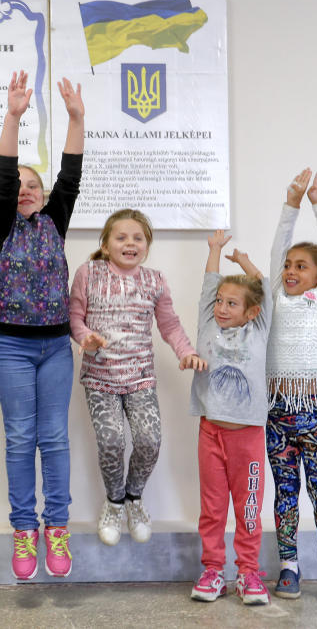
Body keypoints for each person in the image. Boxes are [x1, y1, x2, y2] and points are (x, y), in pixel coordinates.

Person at [0, 70, 83, 580]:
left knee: (55, 437)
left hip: (56, 349)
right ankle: (24, 529)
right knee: (20, 437)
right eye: (17, 185)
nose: (23, 189)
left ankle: (57, 526)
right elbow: (3, 175)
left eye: (32, 185)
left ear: (44, 196)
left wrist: (76, 118)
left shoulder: (56, 221)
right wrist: (14, 117)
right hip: (12, 348)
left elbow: (71, 174)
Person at [69, 208, 203, 547]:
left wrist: (185, 351)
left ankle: (134, 498)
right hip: (101, 379)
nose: (130, 243)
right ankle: (114, 503)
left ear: (147, 244)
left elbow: (169, 324)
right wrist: (85, 336)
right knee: (111, 441)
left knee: (149, 441)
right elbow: (74, 316)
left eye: (138, 238)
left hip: (141, 376)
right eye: (121, 237)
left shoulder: (154, 280)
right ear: (106, 242)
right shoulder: (89, 273)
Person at [266, 168, 317, 604]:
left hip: (316, 418)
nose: (291, 270)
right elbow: (278, 244)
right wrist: (291, 205)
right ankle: (289, 567)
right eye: (288, 266)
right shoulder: (276, 296)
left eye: (301, 266)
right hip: (278, 416)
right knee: (285, 495)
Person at [188, 231, 273, 605]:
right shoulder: (209, 326)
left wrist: (243, 263)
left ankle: (249, 573)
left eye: (232, 304)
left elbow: (266, 291)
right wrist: (215, 251)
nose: (222, 308)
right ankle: (212, 571)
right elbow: (209, 287)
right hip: (211, 433)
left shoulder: (258, 330)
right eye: (220, 302)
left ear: (251, 312)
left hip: (248, 437)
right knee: (212, 508)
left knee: (248, 509)